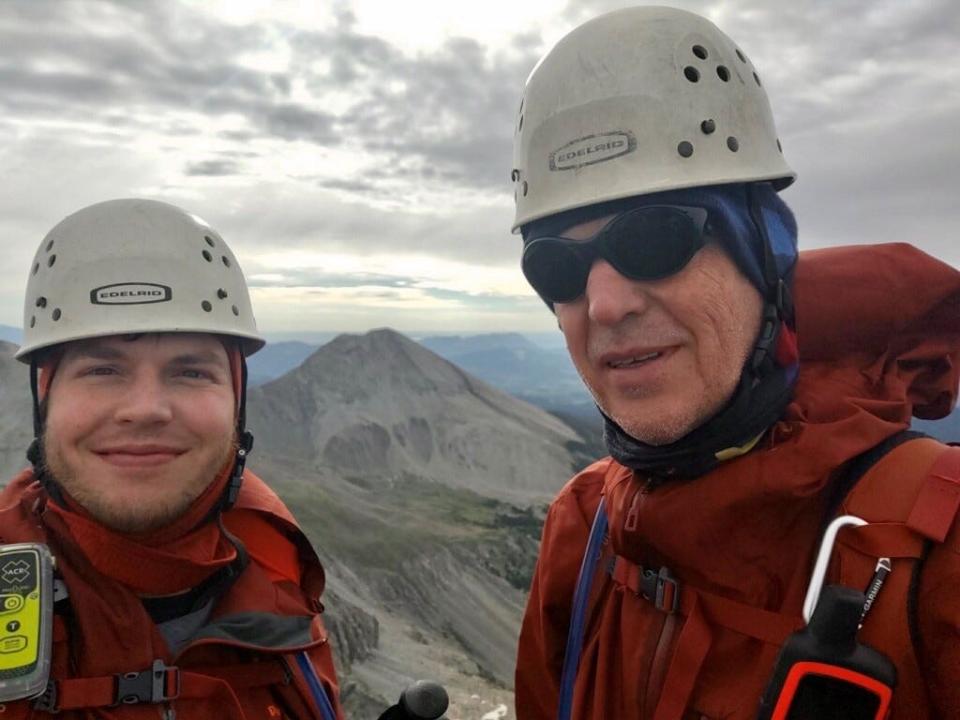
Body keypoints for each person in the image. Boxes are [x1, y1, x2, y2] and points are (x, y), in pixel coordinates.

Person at [510, 7, 960, 720]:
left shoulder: (938, 548)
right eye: (556, 268)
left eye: (655, 239)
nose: (602, 304)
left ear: (763, 255)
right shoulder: (584, 527)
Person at [0, 199, 343, 719]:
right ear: (46, 399)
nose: (145, 410)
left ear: (237, 401)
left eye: (190, 372)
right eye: (101, 370)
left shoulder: (284, 585)